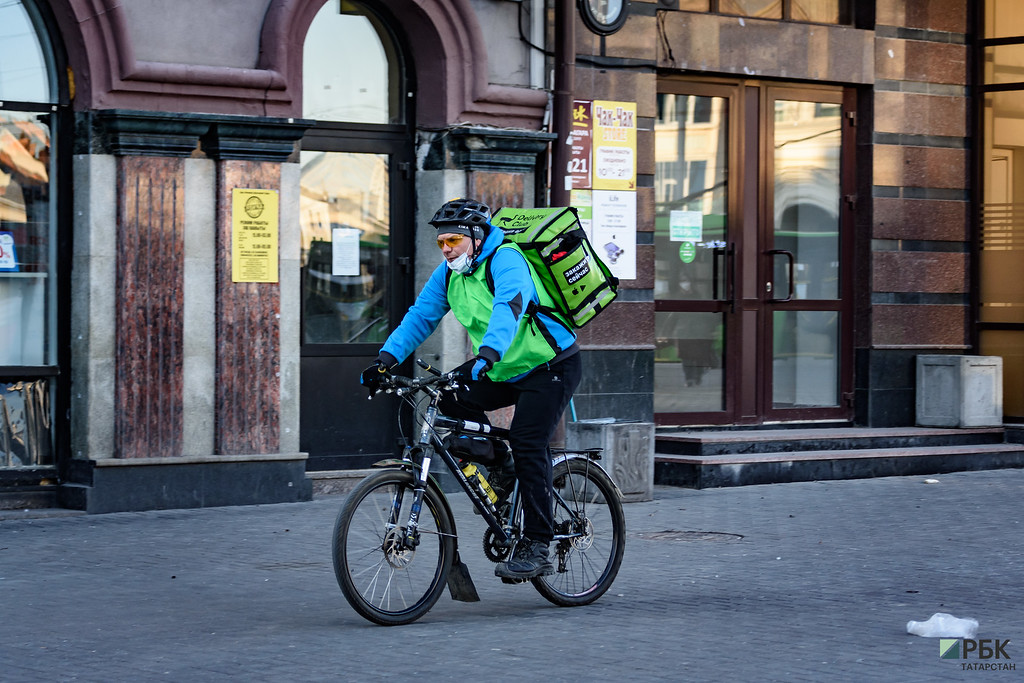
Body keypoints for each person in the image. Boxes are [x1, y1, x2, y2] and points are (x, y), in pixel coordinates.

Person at [360, 198, 581, 580]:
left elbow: (509, 306)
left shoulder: (506, 260)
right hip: (503, 367)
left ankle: (538, 544)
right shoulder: (449, 275)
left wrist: (488, 353)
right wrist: (385, 360)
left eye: (453, 241)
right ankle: (501, 462)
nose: (446, 249)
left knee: (529, 442)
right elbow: (420, 316)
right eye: (441, 242)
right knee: (446, 395)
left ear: (476, 237)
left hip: (549, 365)